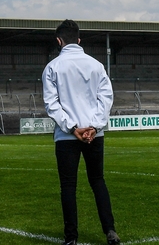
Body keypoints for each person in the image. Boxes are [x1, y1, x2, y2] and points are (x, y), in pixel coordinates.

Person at [42, 20, 120, 245]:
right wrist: (94, 126)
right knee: (98, 181)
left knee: (68, 186)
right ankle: (110, 230)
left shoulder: (53, 67)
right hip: (94, 135)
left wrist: (72, 127)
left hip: (67, 136)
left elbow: (51, 104)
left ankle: (71, 238)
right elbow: (106, 98)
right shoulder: (96, 65)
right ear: (78, 39)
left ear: (59, 41)